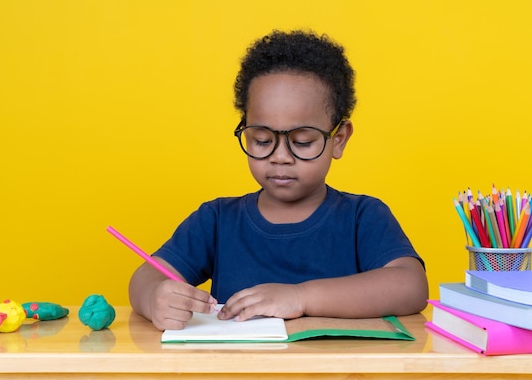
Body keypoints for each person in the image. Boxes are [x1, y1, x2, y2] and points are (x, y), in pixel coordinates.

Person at [129, 30, 428, 331]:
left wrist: (300, 297)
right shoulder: (217, 220)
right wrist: (155, 297)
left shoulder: (362, 217)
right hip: (241, 375)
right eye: (261, 140)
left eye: (301, 142)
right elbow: (145, 277)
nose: (280, 157)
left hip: (338, 376)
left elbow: (411, 286)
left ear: (338, 139)